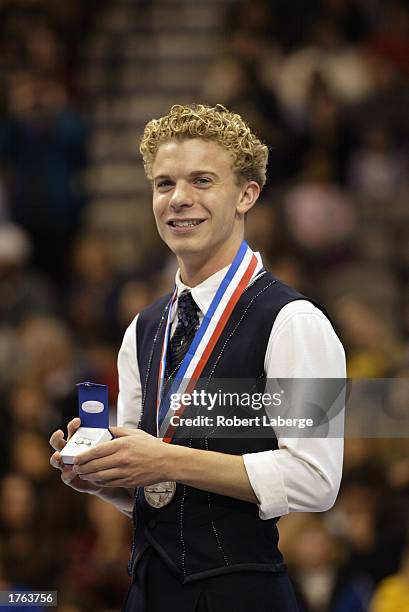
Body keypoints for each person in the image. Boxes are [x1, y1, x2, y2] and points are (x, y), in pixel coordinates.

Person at [50, 103, 346, 611]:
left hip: (242, 593)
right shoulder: (142, 329)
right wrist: (103, 476)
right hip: (148, 591)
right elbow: (159, 489)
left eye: (202, 180)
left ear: (246, 195)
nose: (179, 199)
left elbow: (316, 480)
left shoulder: (296, 321)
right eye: (164, 184)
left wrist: (165, 458)